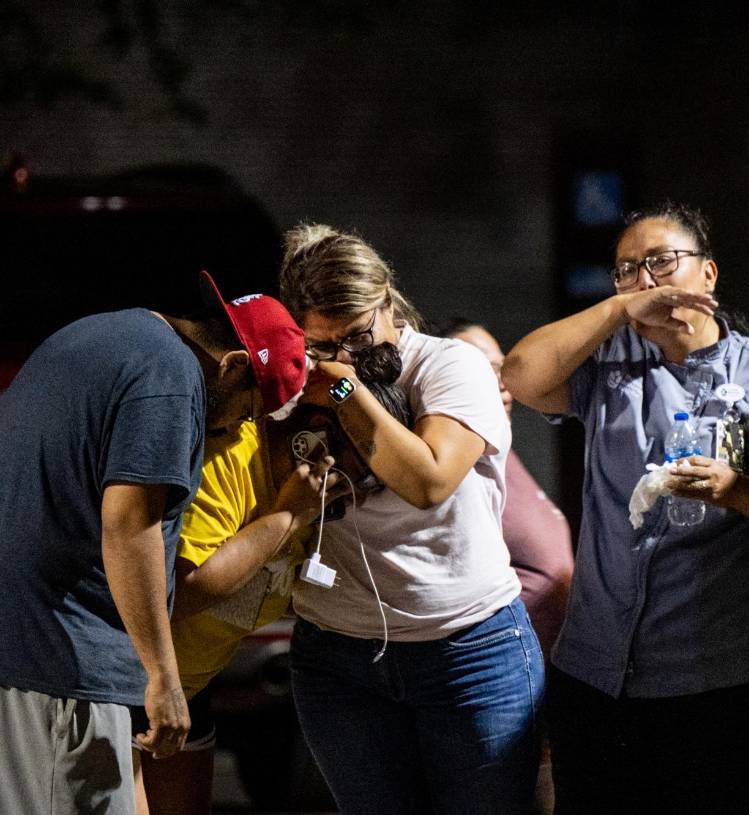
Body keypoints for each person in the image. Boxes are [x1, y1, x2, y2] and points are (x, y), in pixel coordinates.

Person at [503, 202, 749, 815]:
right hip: (599, 673)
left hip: (725, 678)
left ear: (708, 275)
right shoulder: (609, 366)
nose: (644, 281)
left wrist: (737, 490)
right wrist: (615, 310)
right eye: (626, 270)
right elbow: (522, 373)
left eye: (660, 262)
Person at [0, 272, 306, 813]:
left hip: (26, 648)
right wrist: (164, 678)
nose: (237, 430)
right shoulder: (171, 379)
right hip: (67, 663)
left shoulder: (103, 333)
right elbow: (130, 525)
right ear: (233, 365)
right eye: (246, 410)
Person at [278, 224, 544, 814]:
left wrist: (344, 391)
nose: (342, 355)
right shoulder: (301, 377)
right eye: (321, 345)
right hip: (337, 655)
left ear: (389, 302)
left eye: (356, 335)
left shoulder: (451, 367)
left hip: (468, 652)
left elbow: (428, 481)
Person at [131, 278, 328, 815]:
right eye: (249, 407)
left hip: (188, 685)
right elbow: (182, 588)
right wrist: (285, 516)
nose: (245, 418)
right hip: (132, 681)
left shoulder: (321, 492)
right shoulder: (228, 451)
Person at [439, 317, 574, 657]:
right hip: (491, 660)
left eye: (502, 369)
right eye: (482, 370)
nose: (501, 384)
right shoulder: (452, 462)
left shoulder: (501, 447)